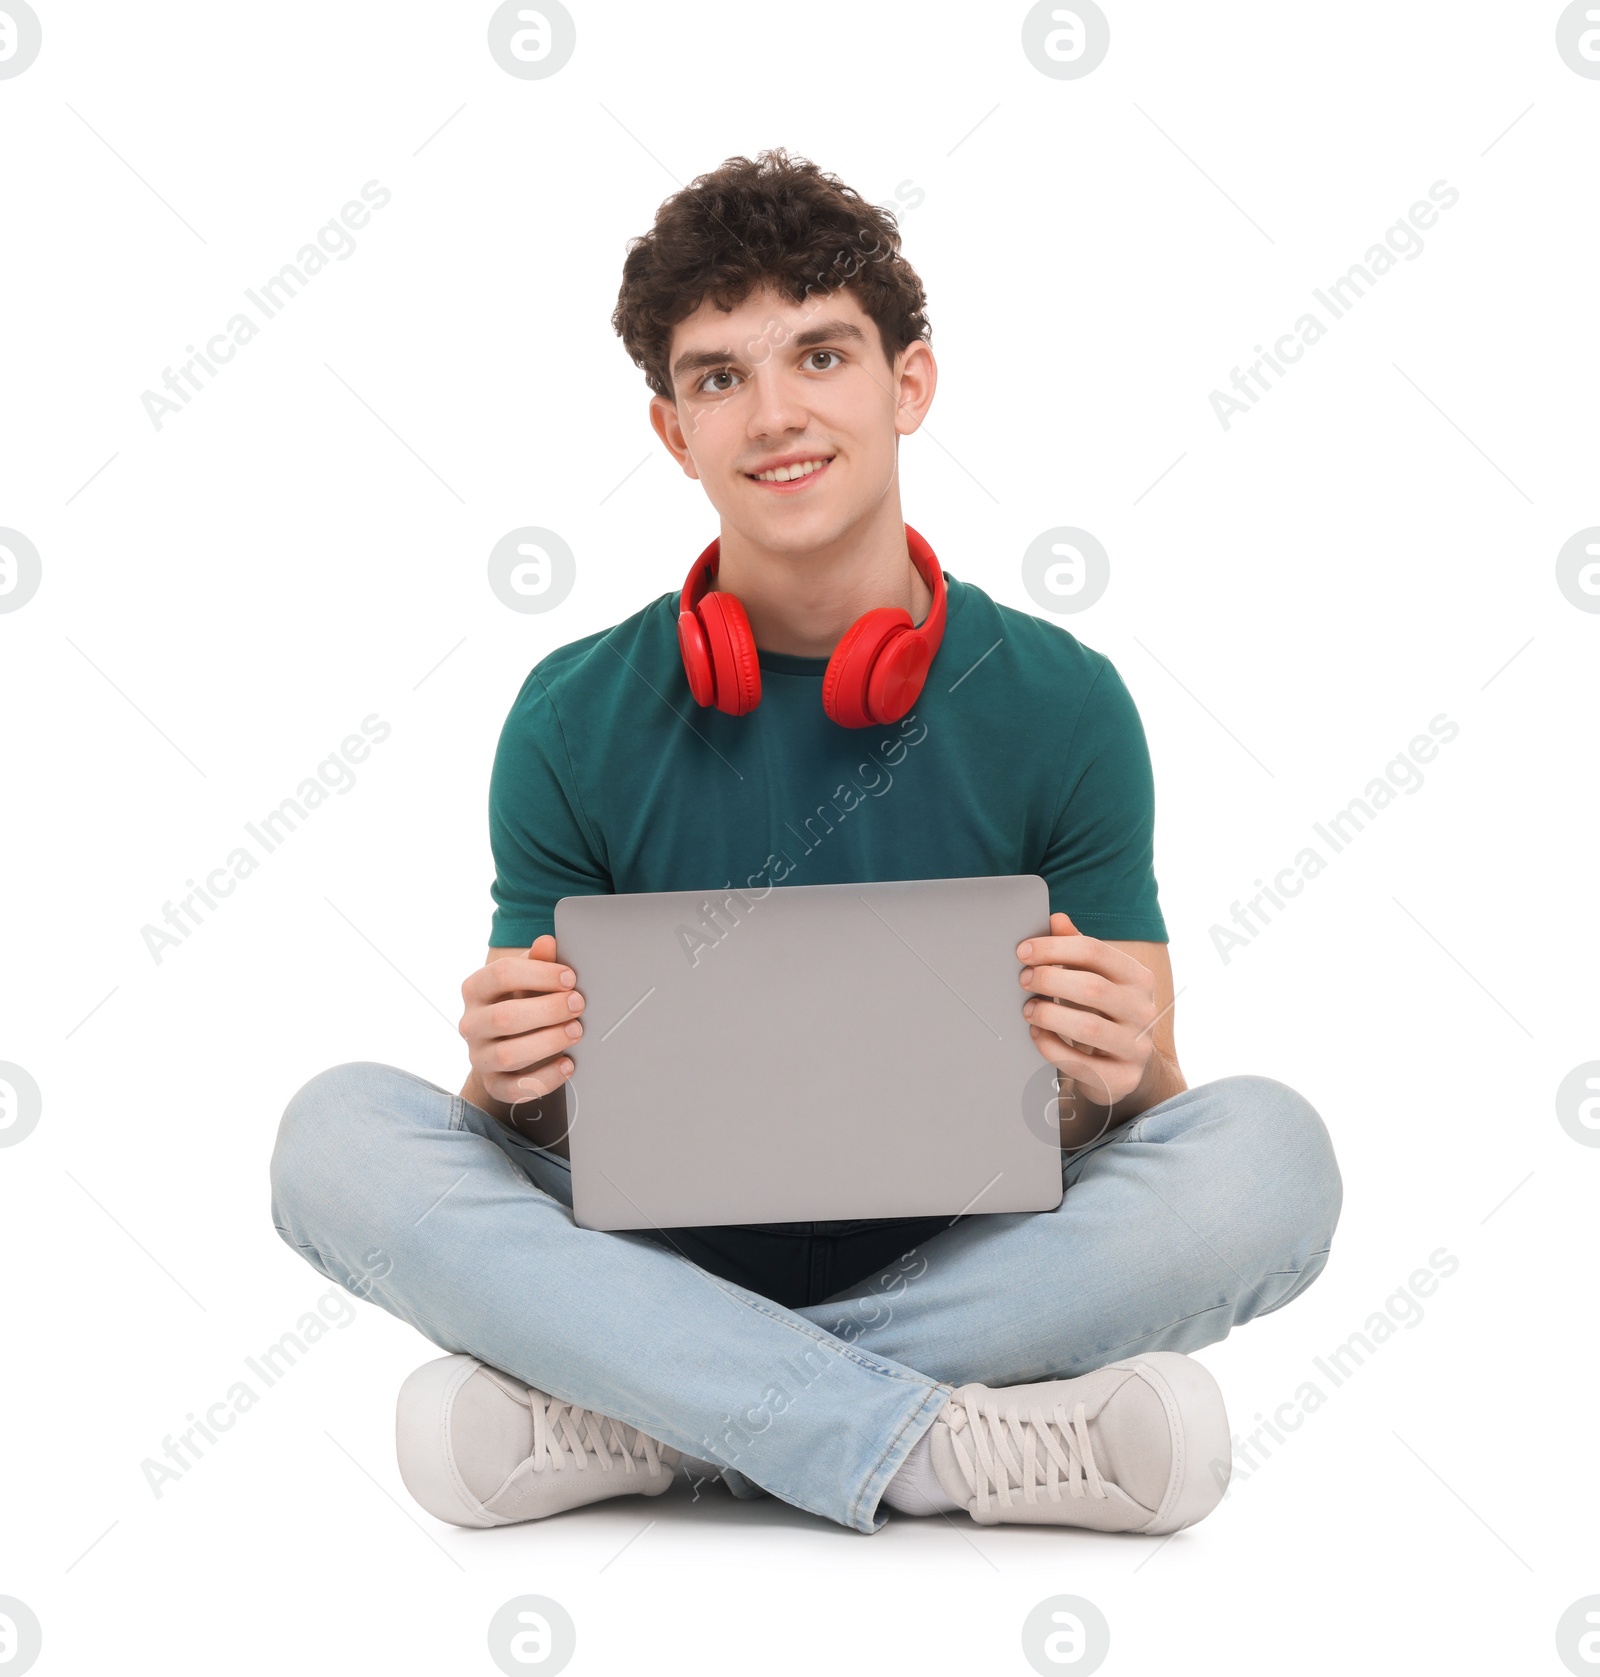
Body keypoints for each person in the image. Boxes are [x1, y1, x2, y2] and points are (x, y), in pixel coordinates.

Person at [269, 148, 1342, 1538]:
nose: (775, 414)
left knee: (1271, 1156)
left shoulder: (1064, 699)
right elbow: (544, 1135)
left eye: (821, 355)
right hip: (648, 1245)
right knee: (334, 1136)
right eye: (719, 376)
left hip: (972, 1242)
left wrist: (1118, 1061)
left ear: (909, 385)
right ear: (674, 430)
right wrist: (511, 1083)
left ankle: (651, 1416)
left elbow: (1150, 1108)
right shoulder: (569, 710)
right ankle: (935, 1443)